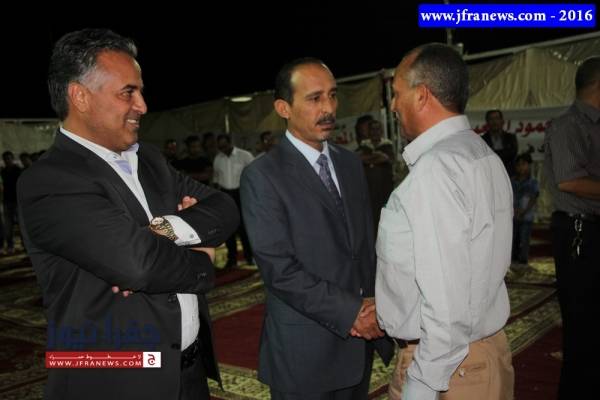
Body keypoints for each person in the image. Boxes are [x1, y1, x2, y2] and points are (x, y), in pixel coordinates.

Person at [17, 28, 239, 400]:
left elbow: (224, 207)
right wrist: (203, 257)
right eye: (128, 92)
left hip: (189, 374)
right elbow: (141, 266)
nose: (143, 105)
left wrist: (168, 228)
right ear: (80, 96)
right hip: (114, 383)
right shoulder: (50, 180)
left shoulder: (149, 159)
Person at [240, 57, 393, 399]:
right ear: (283, 108)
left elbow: (363, 248)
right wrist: (352, 313)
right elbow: (279, 270)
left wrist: (375, 305)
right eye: (314, 98)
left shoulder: (350, 163)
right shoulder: (262, 176)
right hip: (306, 353)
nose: (328, 108)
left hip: (359, 345)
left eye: (332, 95)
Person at [376, 43, 514, 400]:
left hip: (449, 371)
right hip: (476, 356)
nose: (393, 105)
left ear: (422, 95)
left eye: (397, 93)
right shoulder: (480, 153)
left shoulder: (436, 170)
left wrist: (422, 387)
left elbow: (446, 301)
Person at [543, 56, 600, 399]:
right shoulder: (568, 126)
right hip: (580, 235)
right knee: (582, 331)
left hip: (592, 232)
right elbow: (569, 181)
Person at [213, 133, 254, 267]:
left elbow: (255, 175)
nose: (223, 149)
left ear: (230, 143)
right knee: (229, 227)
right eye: (220, 147)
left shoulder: (245, 155)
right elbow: (216, 179)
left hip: (241, 193)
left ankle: (249, 256)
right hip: (225, 195)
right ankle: (232, 259)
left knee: (244, 228)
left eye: (225, 146)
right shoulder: (218, 158)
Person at [511, 152, 539, 266]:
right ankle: (513, 259)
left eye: (524, 164)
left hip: (526, 216)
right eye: (518, 165)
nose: (521, 167)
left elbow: (533, 198)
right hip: (514, 215)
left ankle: (523, 260)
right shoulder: (512, 181)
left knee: (524, 239)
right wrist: (515, 209)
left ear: (529, 165)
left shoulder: (533, 182)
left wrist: (524, 210)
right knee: (513, 239)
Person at [481, 109, 518, 176]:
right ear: (487, 122)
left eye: (497, 118)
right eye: (491, 119)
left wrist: (493, 155)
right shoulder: (482, 140)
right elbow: (483, 158)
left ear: (502, 121)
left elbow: (512, 155)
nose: (494, 122)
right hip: (489, 174)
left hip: (508, 174)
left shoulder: (511, 138)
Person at [1, 151, 22, 254]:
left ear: (12, 159)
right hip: (7, 201)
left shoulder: (18, 170)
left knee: (21, 225)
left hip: (17, 201)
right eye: (5, 159)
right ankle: (10, 246)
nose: (7, 161)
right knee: (8, 226)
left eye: (9, 158)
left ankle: (24, 245)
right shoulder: (3, 171)